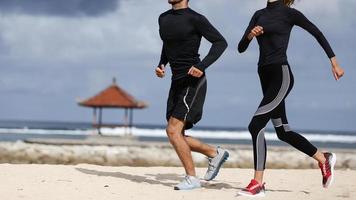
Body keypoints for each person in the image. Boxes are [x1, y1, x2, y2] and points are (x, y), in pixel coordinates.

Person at [237, 0, 345, 197]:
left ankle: (257, 183)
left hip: (281, 75)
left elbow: (317, 33)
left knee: (255, 125)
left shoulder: (289, 14)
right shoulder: (258, 14)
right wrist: (250, 35)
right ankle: (323, 158)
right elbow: (241, 47)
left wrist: (334, 62)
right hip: (265, 76)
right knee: (283, 132)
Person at [155, 0, 229, 190]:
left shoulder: (196, 19)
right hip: (176, 81)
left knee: (172, 131)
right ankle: (214, 153)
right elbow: (168, 45)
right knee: (176, 134)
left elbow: (221, 42)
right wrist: (162, 64)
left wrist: (201, 66)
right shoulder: (163, 18)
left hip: (193, 81)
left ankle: (192, 178)